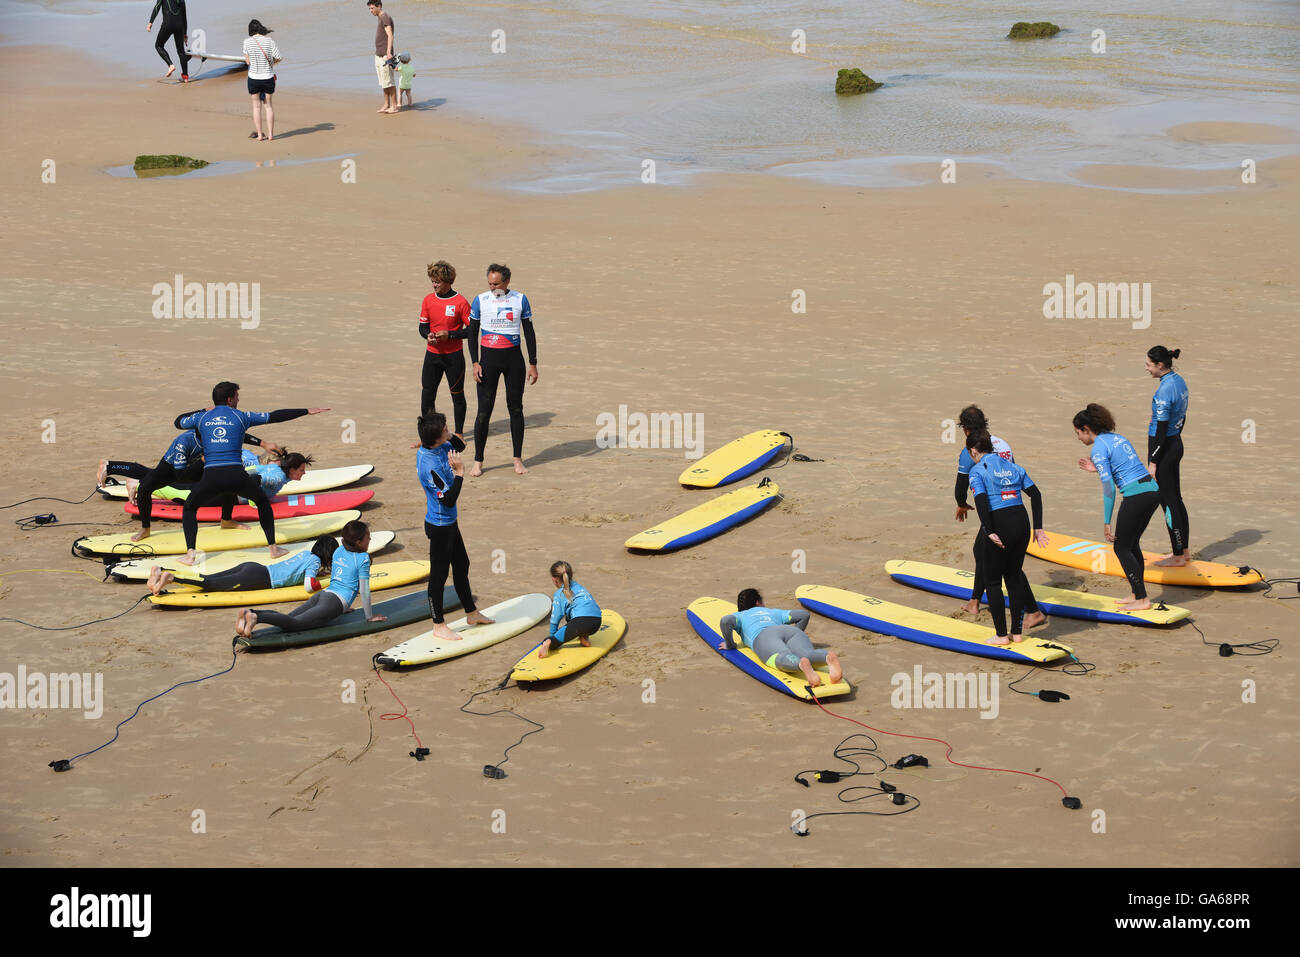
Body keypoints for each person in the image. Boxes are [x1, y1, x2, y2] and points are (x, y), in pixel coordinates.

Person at [172, 381, 329, 566]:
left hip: (211, 476)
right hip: (236, 475)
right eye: (237, 396)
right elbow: (274, 416)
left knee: (190, 507)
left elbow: (178, 421)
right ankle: (273, 548)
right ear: (230, 399)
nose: (239, 399)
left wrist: (202, 410)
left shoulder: (201, 417)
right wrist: (305, 411)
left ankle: (190, 554)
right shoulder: (242, 417)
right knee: (262, 501)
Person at [99, 429, 284, 543]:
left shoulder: (249, 455)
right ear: (269, 460)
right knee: (159, 478)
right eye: (276, 463)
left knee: (154, 475)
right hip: (195, 469)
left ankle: (114, 467)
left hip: (201, 469)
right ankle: (125, 475)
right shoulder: (251, 461)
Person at [952, 405, 1045, 627]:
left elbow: (961, 486)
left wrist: (961, 504)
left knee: (1007, 568)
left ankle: (1032, 611)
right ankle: (975, 600)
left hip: (996, 513)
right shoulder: (1003, 444)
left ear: (965, 429)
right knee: (982, 551)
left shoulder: (970, 452)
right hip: (1016, 508)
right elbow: (1013, 472)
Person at [1074, 403, 1161, 611]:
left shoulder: (1098, 448)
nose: (1078, 438)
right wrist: (1098, 468)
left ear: (1086, 429)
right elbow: (1125, 466)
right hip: (1152, 491)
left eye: (1078, 433)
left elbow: (1109, 490)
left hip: (1136, 496)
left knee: (1120, 547)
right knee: (1131, 544)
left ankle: (1142, 599)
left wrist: (1106, 521)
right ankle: (1135, 593)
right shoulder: (1118, 438)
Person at [966, 430, 1048, 645]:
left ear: (973, 451)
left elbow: (982, 501)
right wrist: (1038, 527)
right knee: (1013, 577)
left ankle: (1001, 635)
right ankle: (1017, 633)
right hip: (1022, 523)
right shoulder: (1013, 466)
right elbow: (1036, 495)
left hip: (1000, 522)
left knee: (992, 581)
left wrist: (989, 529)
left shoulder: (976, 471)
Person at [417, 411, 493, 640]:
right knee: (439, 576)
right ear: (435, 438)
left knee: (462, 564)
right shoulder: (428, 466)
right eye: (444, 429)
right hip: (439, 526)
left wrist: (448, 434)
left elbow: (461, 446)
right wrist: (459, 473)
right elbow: (448, 499)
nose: (448, 429)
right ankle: (438, 625)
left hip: (449, 522)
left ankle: (471, 613)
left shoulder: (438, 446)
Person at [236, 521, 384, 635]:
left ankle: (249, 612)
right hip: (334, 603)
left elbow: (339, 577)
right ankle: (255, 616)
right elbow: (364, 590)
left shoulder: (339, 549)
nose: (370, 539)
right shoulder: (363, 558)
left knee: (288, 619)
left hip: (324, 595)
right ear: (358, 542)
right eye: (368, 537)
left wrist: (342, 609)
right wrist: (369, 617)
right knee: (293, 624)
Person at [468, 264, 538, 476]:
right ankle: (478, 461)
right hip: (488, 361)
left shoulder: (520, 299)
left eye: (497, 283)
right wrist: (474, 362)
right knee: (484, 411)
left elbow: (529, 332)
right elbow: (472, 334)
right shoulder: (481, 300)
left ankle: (517, 459)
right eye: (490, 283)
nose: (493, 287)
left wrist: (533, 363)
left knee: (515, 409)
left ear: (507, 282)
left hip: (513, 360)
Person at [717, 589, 842, 688]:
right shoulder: (774, 612)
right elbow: (803, 615)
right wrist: (797, 633)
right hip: (790, 631)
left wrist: (730, 644)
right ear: (758, 603)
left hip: (764, 636)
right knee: (807, 653)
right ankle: (826, 657)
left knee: (780, 656)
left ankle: (800, 664)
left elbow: (725, 621)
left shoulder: (741, 615)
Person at [149, 535, 337, 596]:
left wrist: (320, 573)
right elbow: (308, 586)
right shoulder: (314, 562)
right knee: (210, 585)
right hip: (259, 578)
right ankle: (171, 578)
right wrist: (328, 581)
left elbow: (300, 571)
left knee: (211, 578)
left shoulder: (307, 554)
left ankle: (161, 571)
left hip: (255, 568)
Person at [1145, 345, 1190, 567]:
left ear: (1160, 365)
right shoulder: (1179, 381)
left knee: (1168, 503)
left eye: (1149, 365)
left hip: (1162, 447)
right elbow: (1182, 417)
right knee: (1176, 499)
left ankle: (1178, 555)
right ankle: (1184, 550)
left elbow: (1161, 429)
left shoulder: (1164, 390)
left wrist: (1153, 462)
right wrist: (1175, 439)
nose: (1147, 369)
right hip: (1175, 443)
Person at [418, 260, 473, 432]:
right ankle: (429, 434)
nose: (434, 284)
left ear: (448, 281)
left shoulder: (460, 302)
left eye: (437, 282)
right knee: (427, 395)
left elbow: (472, 330)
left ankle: (459, 433)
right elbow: (422, 326)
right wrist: (427, 335)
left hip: (453, 356)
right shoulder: (428, 300)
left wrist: (450, 335)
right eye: (432, 281)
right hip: (432, 355)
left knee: (457, 396)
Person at [539, 561, 601, 658]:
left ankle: (548, 644)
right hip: (597, 622)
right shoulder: (580, 587)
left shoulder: (559, 594)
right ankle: (584, 638)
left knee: (552, 640)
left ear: (554, 579)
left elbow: (555, 620)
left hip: (579, 623)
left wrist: (552, 637)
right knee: (573, 615)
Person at [242, 20, 281, 142]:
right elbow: (279, 57)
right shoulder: (269, 41)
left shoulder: (247, 42)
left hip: (254, 78)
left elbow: (247, 62)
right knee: (268, 106)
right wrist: (271, 63)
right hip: (268, 77)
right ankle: (270, 135)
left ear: (250, 30)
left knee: (256, 107)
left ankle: (259, 135)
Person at [147, 0, 190, 82]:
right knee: (181, 51)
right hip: (179, 26)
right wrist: (185, 34)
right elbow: (184, 17)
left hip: (167, 25)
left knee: (158, 45)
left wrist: (150, 22)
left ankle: (171, 65)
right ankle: (185, 77)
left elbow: (157, 7)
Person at [367, 1, 398, 114]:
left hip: (386, 55)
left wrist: (389, 52)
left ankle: (394, 106)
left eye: (372, 8)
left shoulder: (384, 17)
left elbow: (390, 35)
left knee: (389, 81)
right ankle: (386, 104)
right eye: (369, 9)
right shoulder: (380, 17)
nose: (371, 11)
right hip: (379, 55)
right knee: (383, 82)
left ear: (379, 6)